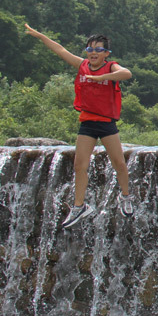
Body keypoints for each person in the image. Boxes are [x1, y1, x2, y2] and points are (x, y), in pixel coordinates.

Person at [24, 24, 133, 227]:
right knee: (79, 165)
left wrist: (101, 78)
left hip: (107, 123)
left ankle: (126, 196)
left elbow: (126, 74)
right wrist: (39, 35)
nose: (93, 53)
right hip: (87, 123)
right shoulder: (81, 65)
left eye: (98, 50)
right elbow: (60, 49)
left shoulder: (111, 67)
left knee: (119, 163)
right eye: (90, 49)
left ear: (106, 53)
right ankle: (79, 206)